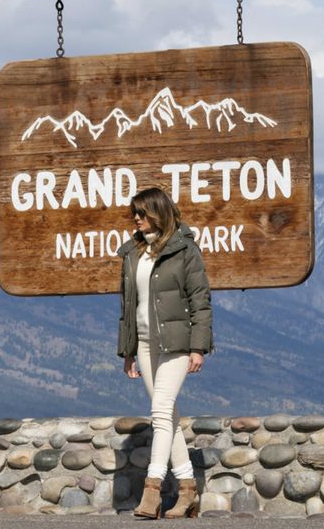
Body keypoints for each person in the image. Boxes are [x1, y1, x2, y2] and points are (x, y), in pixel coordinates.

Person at [117, 187, 213, 520]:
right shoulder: (133, 252)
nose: (137, 219)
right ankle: (188, 492)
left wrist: (198, 346)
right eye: (134, 214)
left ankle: (152, 491)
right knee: (166, 417)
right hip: (144, 344)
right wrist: (127, 350)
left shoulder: (184, 249)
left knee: (160, 411)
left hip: (176, 342)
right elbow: (128, 306)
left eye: (142, 213)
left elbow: (200, 299)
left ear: (158, 211)